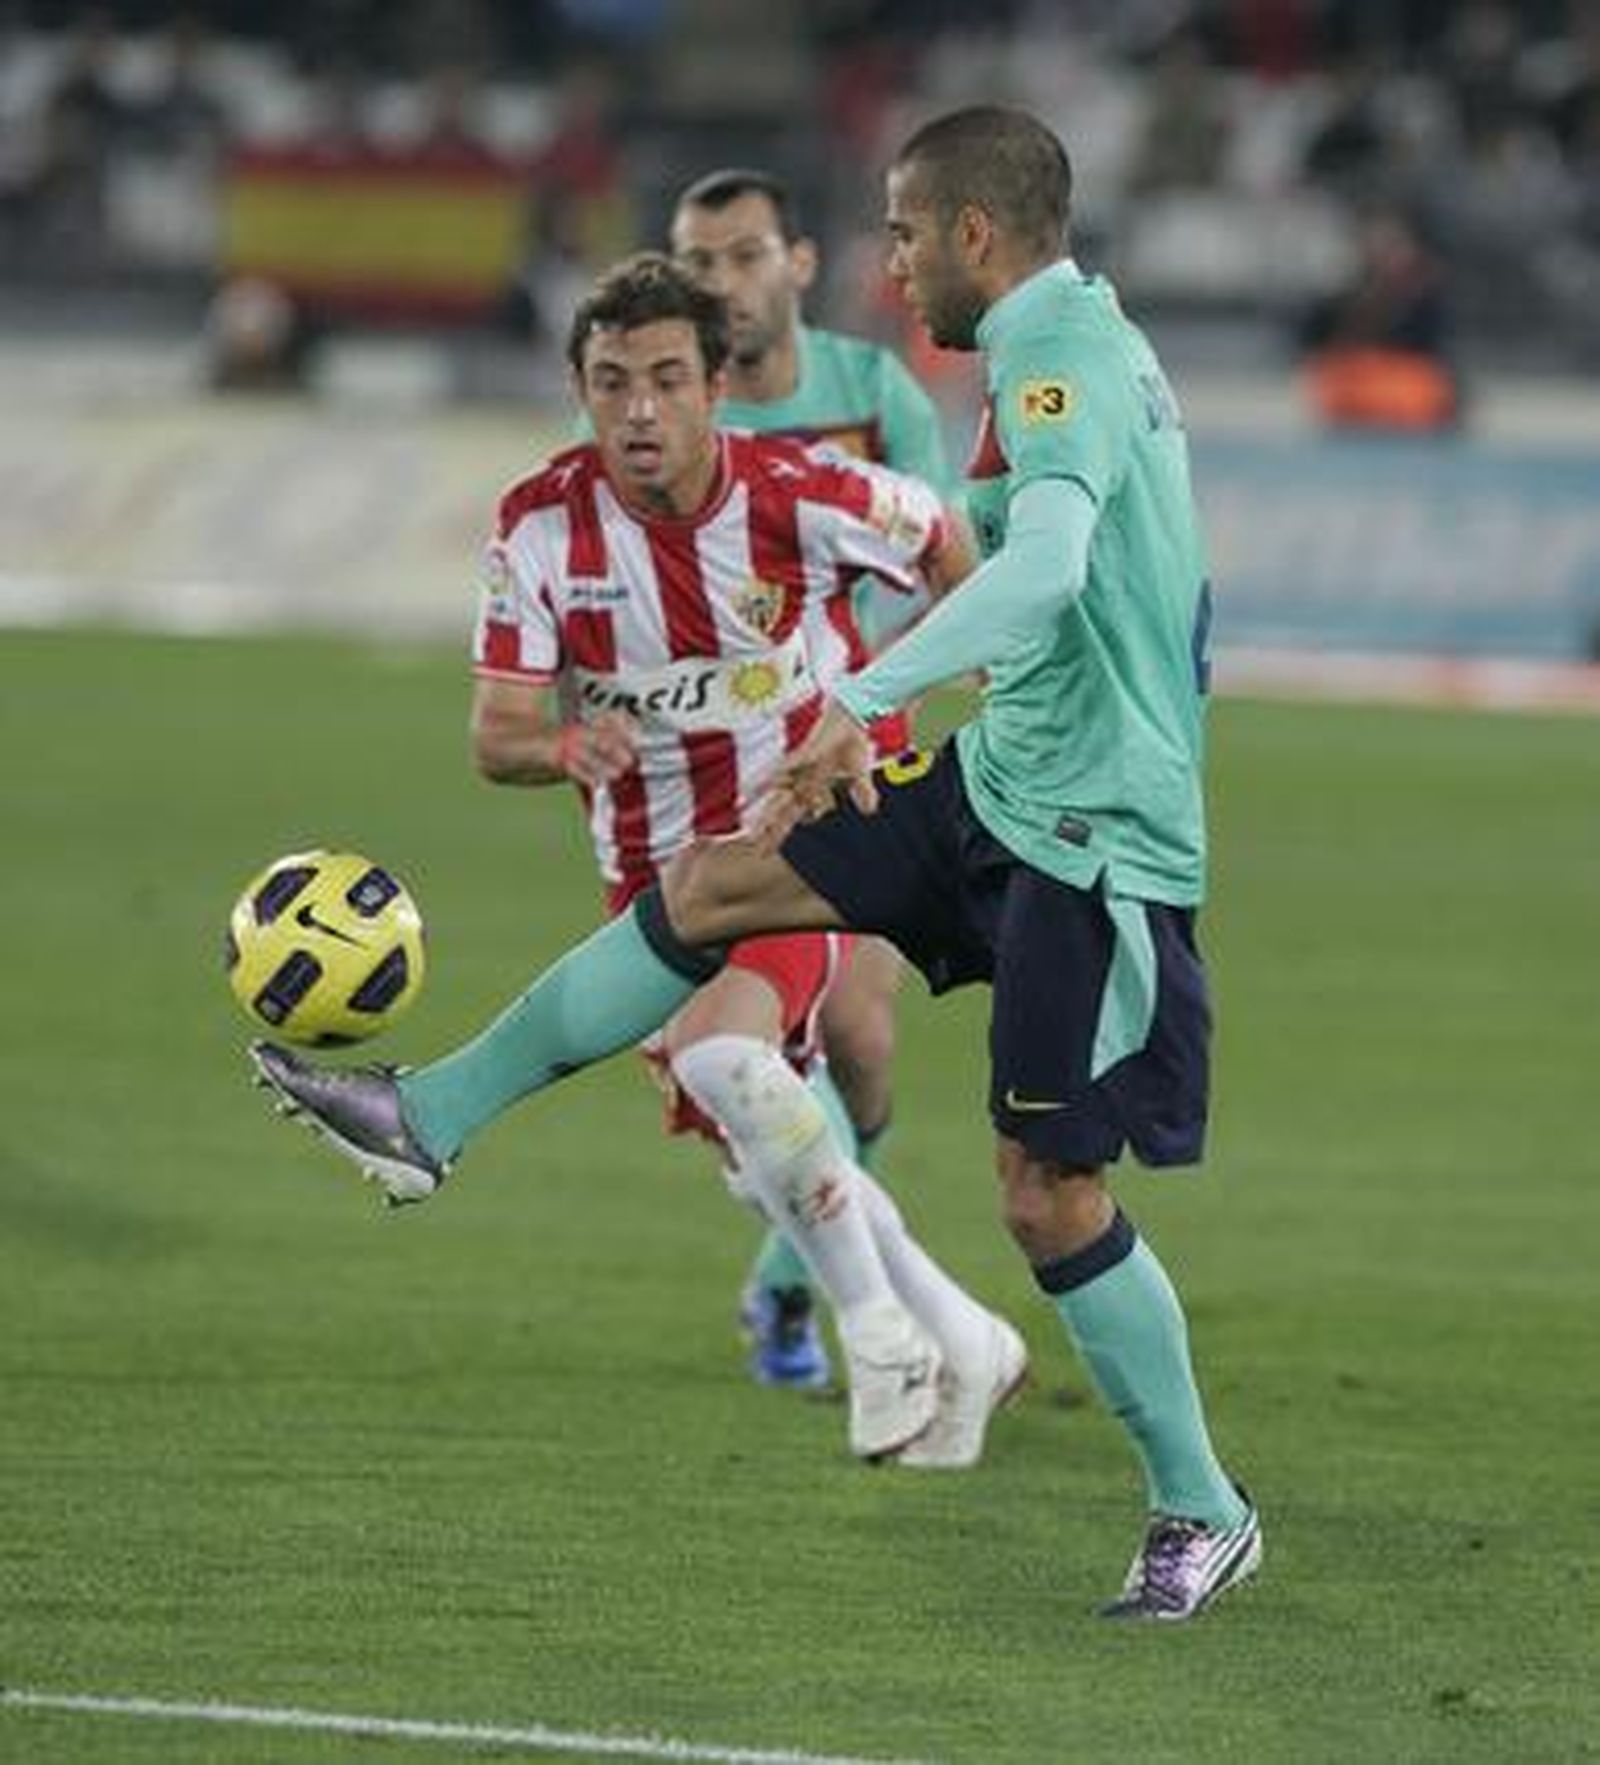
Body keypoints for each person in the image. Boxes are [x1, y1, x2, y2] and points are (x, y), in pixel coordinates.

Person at [253, 106, 1261, 1620]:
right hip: (1006, 777)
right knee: (722, 883)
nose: (892, 260)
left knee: (1049, 1196)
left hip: (1095, 834)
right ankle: (427, 1115)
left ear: (975, 235)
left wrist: (854, 695)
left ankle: (1200, 1508)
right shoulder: (1066, 349)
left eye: (907, 232)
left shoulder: (1057, 363)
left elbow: (1048, 569)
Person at [304, 249, 1024, 1468]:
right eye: (611, 381)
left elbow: (952, 546)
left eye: (666, 380)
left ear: (714, 390)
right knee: (762, 1152)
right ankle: (969, 1333)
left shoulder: (802, 492)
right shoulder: (539, 525)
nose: (639, 409)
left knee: (729, 1058)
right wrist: (567, 743)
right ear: (581, 390)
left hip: (801, 842)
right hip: (648, 882)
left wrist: (915, 697)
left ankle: (882, 1338)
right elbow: (496, 734)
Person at [667, 166, 953, 1389]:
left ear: (796, 263)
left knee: (859, 1035)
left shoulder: (871, 392)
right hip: (716, 756)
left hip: (856, 731)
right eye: (695, 259)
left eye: (738, 255)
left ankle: (791, 1278)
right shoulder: (659, 401)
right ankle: (831, 1292)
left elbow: (949, 552)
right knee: (756, 1048)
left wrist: (885, 705)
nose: (715, 281)